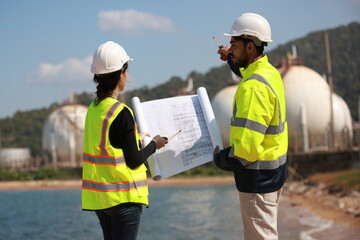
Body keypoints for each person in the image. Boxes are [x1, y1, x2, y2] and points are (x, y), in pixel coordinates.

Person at [82, 41, 168, 240]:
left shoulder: (93, 110)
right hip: (124, 199)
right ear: (122, 73)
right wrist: (155, 143)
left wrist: (134, 139)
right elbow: (134, 160)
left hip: (101, 199)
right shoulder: (121, 112)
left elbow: (107, 144)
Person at [213, 13, 288, 240]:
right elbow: (245, 70)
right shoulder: (268, 73)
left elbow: (246, 149)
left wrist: (220, 158)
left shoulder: (252, 88)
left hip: (258, 177)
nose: (230, 49)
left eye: (234, 45)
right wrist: (231, 59)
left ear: (249, 47)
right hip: (273, 171)